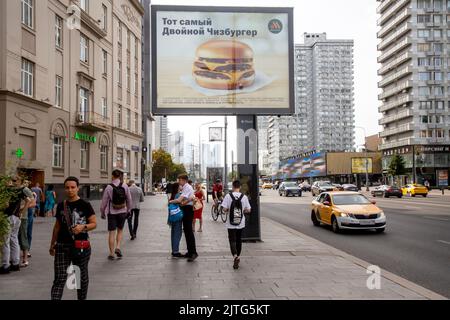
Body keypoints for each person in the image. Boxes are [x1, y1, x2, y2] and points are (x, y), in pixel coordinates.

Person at [49, 176, 97, 300]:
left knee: (80, 278)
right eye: (67, 188)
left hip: (80, 246)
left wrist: (83, 227)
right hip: (62, 246)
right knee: (59, 278)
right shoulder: (61, 205)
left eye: (72, 187)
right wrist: (52, 244)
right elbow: (57, 227)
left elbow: (94, 223)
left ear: (77, 188)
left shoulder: (85, 204)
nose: (70, 190)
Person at [0, 175, 34, 274]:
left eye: (13, 180)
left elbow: (5, 204)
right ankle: (15, 263)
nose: (12, 182)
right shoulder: (20, 190)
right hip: (16, 217)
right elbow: (28, 200)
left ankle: (5, 265)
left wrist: (22, 211)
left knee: (6, 241)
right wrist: (21, 212)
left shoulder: (8, 190)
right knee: (13, 239)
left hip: (8, 217)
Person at [100, 169, 132, 260]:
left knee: (111, 233)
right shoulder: (125, 186)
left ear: (113, 176)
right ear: (120, 176)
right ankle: (118, 247)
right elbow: (129, 199)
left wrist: (102, 212)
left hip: (112, 213)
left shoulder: (109, 187)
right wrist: (128, 210)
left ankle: (111, 253)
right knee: (120, 230)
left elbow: (104, 202)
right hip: (122, 212)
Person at [221, 180, 251, 270]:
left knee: (232, 240)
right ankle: (238, 256)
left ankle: (235, 256)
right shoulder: (244, 197)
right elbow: (248, 210)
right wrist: (242, 211)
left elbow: (224, 209)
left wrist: (227, 210)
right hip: (240, 222)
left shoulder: (228, 196)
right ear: (240, 187)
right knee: (239, 240)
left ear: (233, 187)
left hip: (231, 223)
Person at [169, 174, 198, 262]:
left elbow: (179, 200)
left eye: (179, 180)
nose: (178, 182)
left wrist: (170, 201)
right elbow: (185, 200)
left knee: (189, 231)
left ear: (183, 180)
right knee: (186, 231)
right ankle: (190, 252)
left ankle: (193, 253)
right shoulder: (186, 187)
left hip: (188, 210)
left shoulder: (187, 187)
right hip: (186, 209)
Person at [18, 180, 36, 268]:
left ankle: (26, 253)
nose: (26, 183)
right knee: (17, 236)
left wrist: (21, 208)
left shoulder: (25, 190)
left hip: (27, 214)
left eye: (26, 182)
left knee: (26, 233)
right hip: (18, 215)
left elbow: (33, 203)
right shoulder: (14, 189)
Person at [168, 183, 184, 258]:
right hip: (178, 216)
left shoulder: (173, 195)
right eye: (180, 185)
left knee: (173, 233)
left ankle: (174, 250)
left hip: (173, 216)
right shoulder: (178, 195)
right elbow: (181, 203)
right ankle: (176, 251)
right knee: (178, 234)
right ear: (178, 187)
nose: (181, 186)